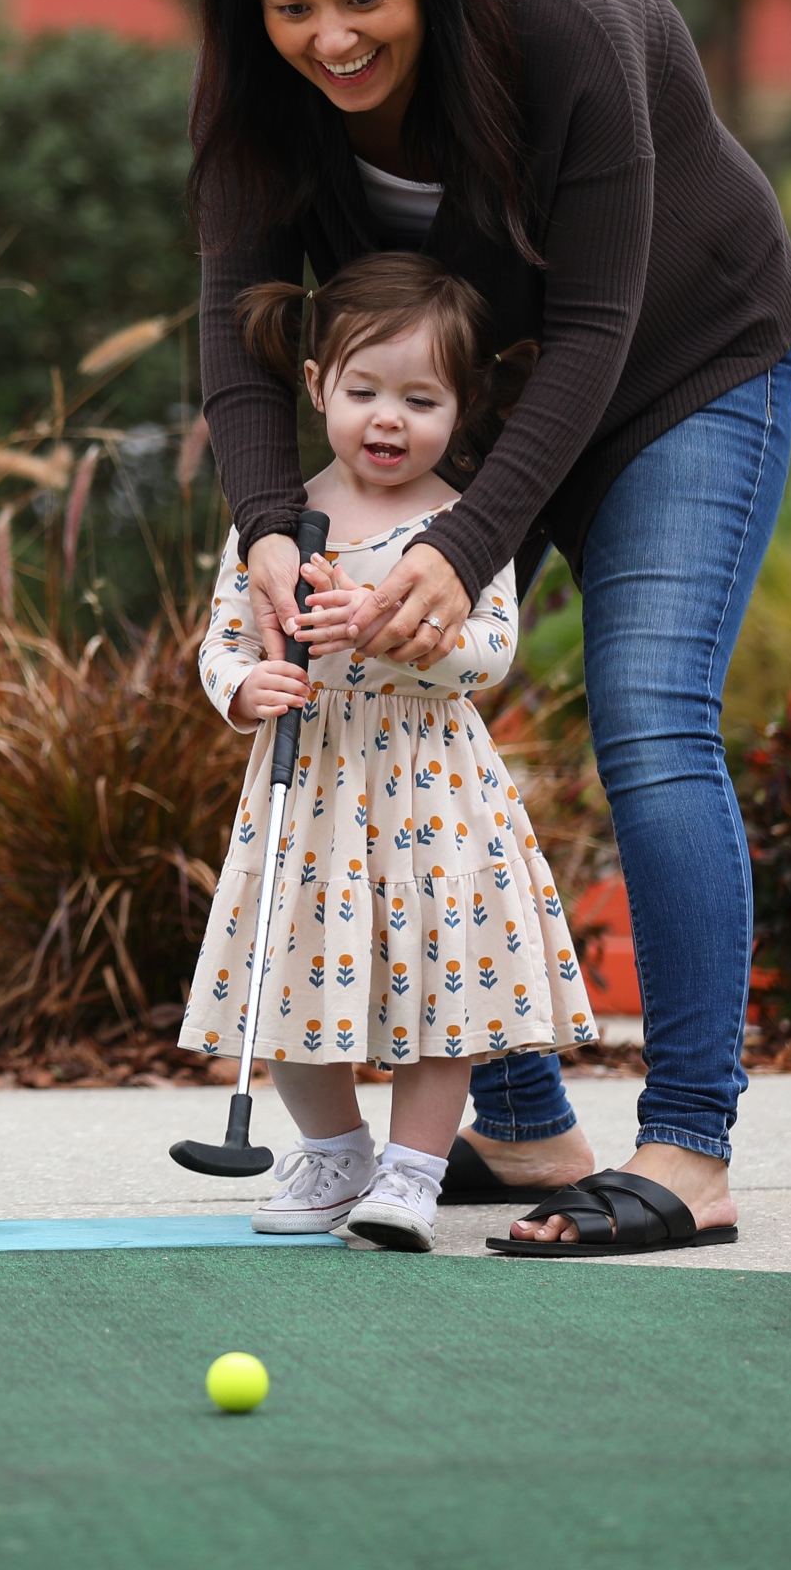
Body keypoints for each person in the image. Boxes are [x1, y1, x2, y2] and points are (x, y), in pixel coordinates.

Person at [190, 0, 791, 1256]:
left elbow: (595, 329)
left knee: (650, 710)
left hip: (676, 369)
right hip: (467, 403)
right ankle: (523, 1126)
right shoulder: (256, 85)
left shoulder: (570, 17)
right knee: (388, 705)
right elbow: (236, 324)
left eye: (364, 0)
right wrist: (272, 528)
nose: (329, 39)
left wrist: (453, 554)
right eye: (291, 7)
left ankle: (691, 1151)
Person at [183, 255, 608, 1253]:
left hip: (429, 787)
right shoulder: (277, 523)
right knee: (285, 972)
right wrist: (245, 688)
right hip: (314, 780)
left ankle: (414, 1171)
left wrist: (393, 625)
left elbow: (490, 650)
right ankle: (335, 1150)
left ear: (461, 411)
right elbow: (224, 638)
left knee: (436, 982)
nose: (388, 417)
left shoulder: (464, 525)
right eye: (366, 390)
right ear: (319, 381)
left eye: (421, 398)